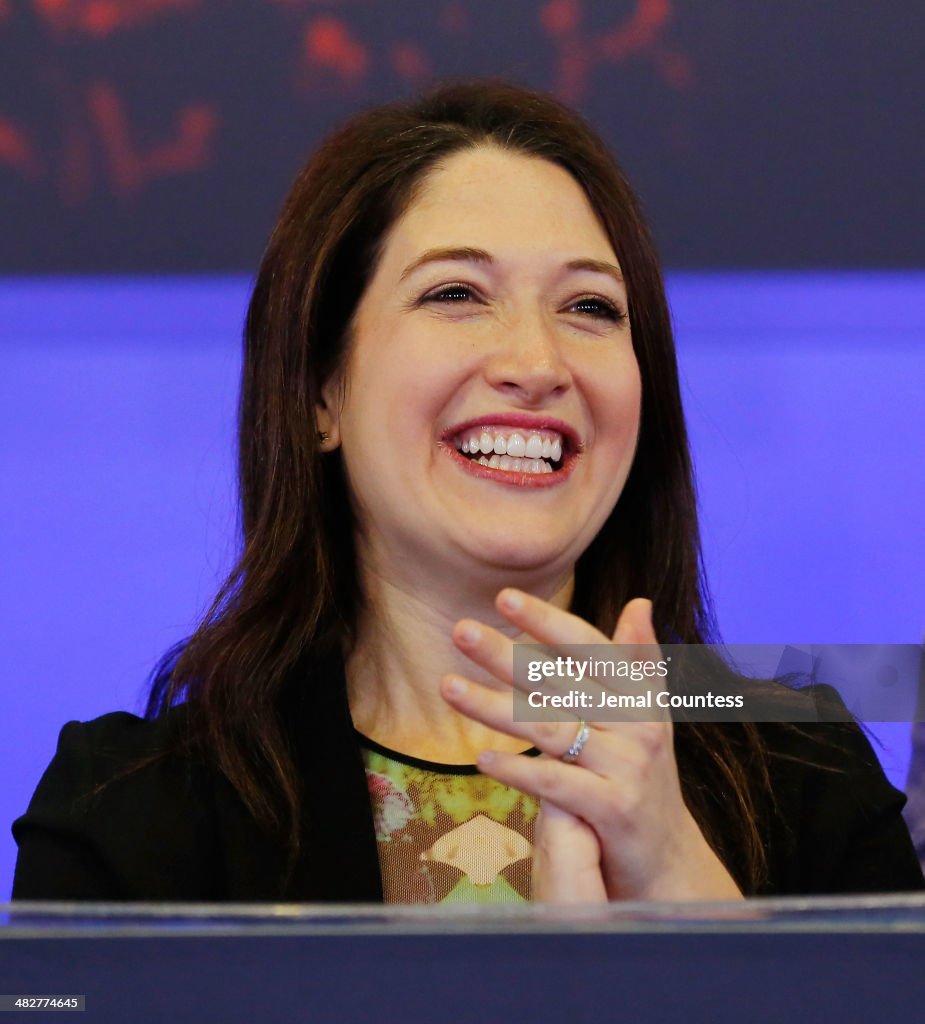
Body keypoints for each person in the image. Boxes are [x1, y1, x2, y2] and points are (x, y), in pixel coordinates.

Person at [12, 80, 923, 903]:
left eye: (590, 307)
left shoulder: (808, 772)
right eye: (455, 293)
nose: (536, 363)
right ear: (319, 392)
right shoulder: (128, 811)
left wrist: (672, 870)